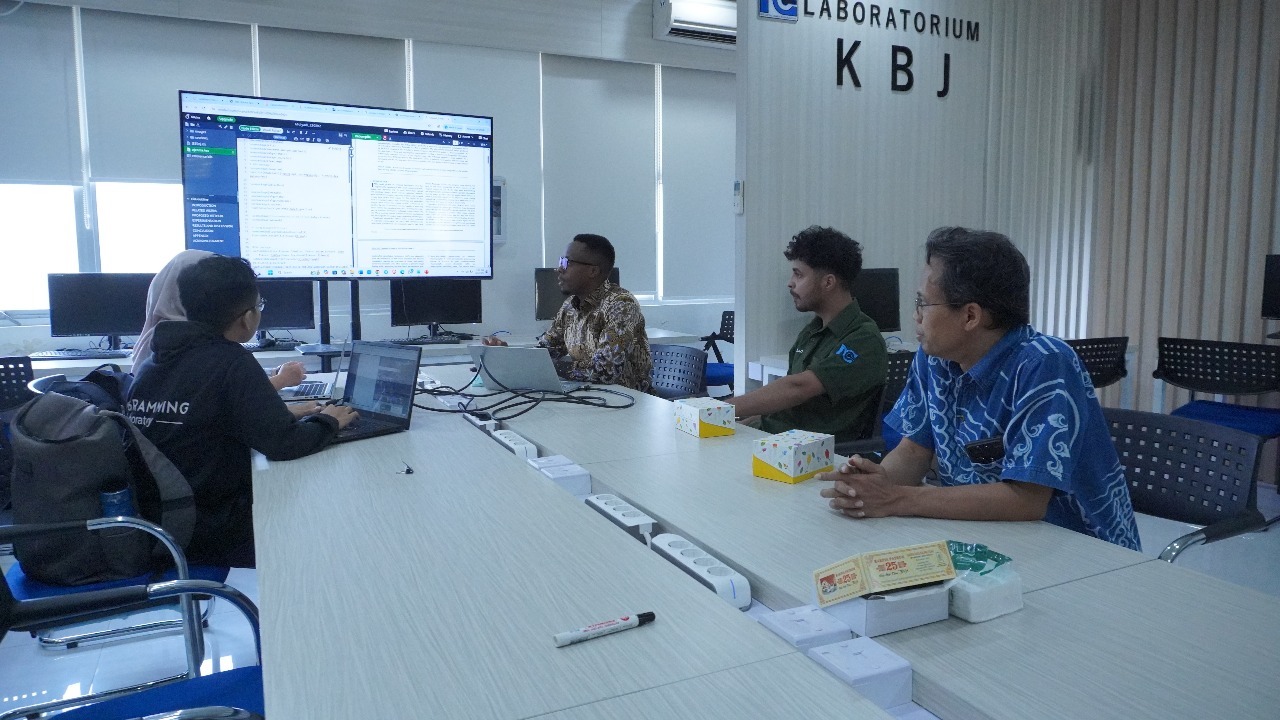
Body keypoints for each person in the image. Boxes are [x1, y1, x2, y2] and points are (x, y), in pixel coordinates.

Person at [819, 227, 1140, 549]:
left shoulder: (1044, 364)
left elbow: (1025, 500)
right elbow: (915, 450)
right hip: (984, 536)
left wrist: (896, 498)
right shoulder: (934, 359)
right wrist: (874, 486)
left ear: (970, 315)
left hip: (1079, 549)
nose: (915, 315)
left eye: (923, 303)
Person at [126, 255, 357, 567]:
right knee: (320, 516)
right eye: (259, 305)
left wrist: (285, 415)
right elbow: (284, 444)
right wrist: (329, 420)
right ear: (247, 318)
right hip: (207, 529)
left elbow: (207, 422)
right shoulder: (230, 362)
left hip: (156, 521)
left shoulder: (154, 361)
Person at [727, 226, 887, 443]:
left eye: (798, 274)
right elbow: (785, 406)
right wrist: (737, 423)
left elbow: (798, 388)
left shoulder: (863, 338)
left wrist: (720, 408)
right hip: (773, 441)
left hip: (805, 455)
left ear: (828, 282)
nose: (790, 282)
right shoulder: (812, 331)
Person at [483, 234, 653, 392]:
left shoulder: (621, 304)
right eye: (560, 261)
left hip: (629, 404)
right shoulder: (569, 307)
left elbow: (605, 371)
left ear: (592, 271)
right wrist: (507, 357)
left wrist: (546, 367)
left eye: (566, 262)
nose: (559, 269)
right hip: (590, 398)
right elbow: (545, 351)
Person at [136, 249, 306, 392]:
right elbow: (219, 399)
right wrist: (281, 380)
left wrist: (270, 376)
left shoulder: (163, 340)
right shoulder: (178, 347)